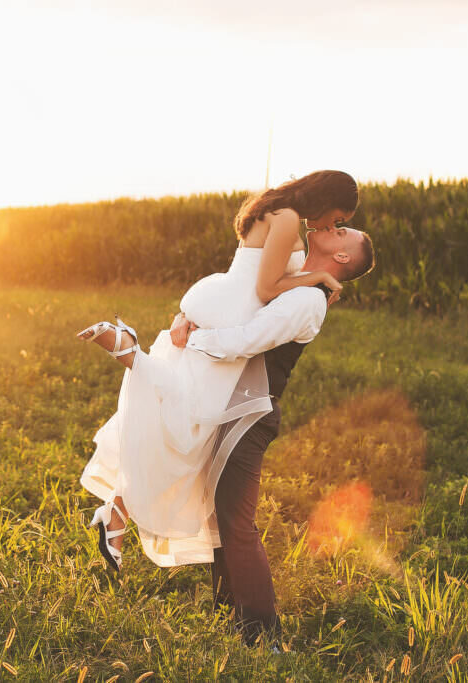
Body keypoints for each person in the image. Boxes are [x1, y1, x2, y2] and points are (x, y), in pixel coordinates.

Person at [76, 171, 363, 573]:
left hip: (224, 302)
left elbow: (274, 288)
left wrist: (311, 295)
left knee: (180, 421)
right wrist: (316, 277)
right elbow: (265, 289)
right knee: (189, 425)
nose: (331, 226)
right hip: (233, 313)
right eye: (336, 218)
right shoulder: (286, 217)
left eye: (338, 225)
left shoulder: (279, 210)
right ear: (327, 199)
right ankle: (129, 351)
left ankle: (117, 514)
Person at [173, 225, 375, 644]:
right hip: (225, 402)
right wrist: (187, 317)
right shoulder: (295, 273)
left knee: (236, 522)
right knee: (218, 516)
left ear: (341, 258)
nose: (331, 227)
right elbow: (237, 297)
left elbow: (247, 339)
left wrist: (192, 338)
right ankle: (228, 618)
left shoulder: (306, 300)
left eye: (342, 231)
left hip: (249, 413)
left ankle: (265, 637)